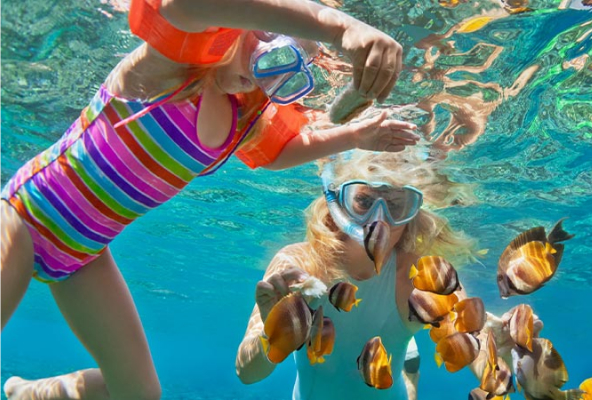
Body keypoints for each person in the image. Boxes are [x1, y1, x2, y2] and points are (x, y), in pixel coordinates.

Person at [1, 0, 421, 398]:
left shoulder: (241, 118)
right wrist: (340, 27)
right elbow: (181, 5)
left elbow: (280, 154)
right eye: (272, 56)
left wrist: (356, 135)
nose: (263, 79)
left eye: (284, 76)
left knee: (138, 392)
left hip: (83, 254)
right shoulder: (173, 65)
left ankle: (28, 393)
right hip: (25, 217)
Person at [234, 148, 479, 400]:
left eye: (395, 205)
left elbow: (473, 340)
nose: (378, 221)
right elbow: (246, 373)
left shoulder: (421, 275)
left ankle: (409, 372)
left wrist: (498, 353)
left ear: (412, 214)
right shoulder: (300, 264)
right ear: (337, 202)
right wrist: (272, 334)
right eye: (364, 201)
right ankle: (408, 361)